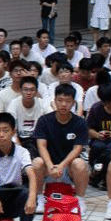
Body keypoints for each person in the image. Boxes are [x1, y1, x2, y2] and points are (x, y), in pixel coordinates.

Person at [33, 83, 91, 213]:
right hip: (48, 168)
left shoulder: (80, 122)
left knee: (80, 164)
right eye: (60, 100)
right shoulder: (44, 120)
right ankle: (40, 198)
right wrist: (50, 165)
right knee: (36, 162)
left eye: (68, 101)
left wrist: (62, 166)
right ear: (54, 101)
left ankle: (80, 201)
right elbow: (41, 146)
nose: (63, 104)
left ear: (73, 103)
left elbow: (77, 149)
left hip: (68, 168)